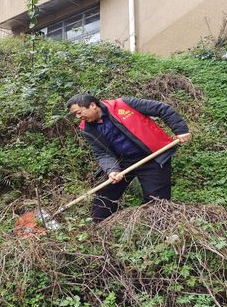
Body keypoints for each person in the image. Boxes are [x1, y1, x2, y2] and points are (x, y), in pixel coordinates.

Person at [67, 94, 191, 222]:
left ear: (92, 105)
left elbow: (161, 109)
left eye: (79, 112)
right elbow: (102, 153)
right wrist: (112, 170)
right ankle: (98, 228)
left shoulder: (124, 104)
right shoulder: (87, 129)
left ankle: (159, 229)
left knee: (157, 201)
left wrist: (180, 130)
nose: (78, 117)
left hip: (152, 157)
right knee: (104, 196)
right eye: (75, 115)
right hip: (122, 162)